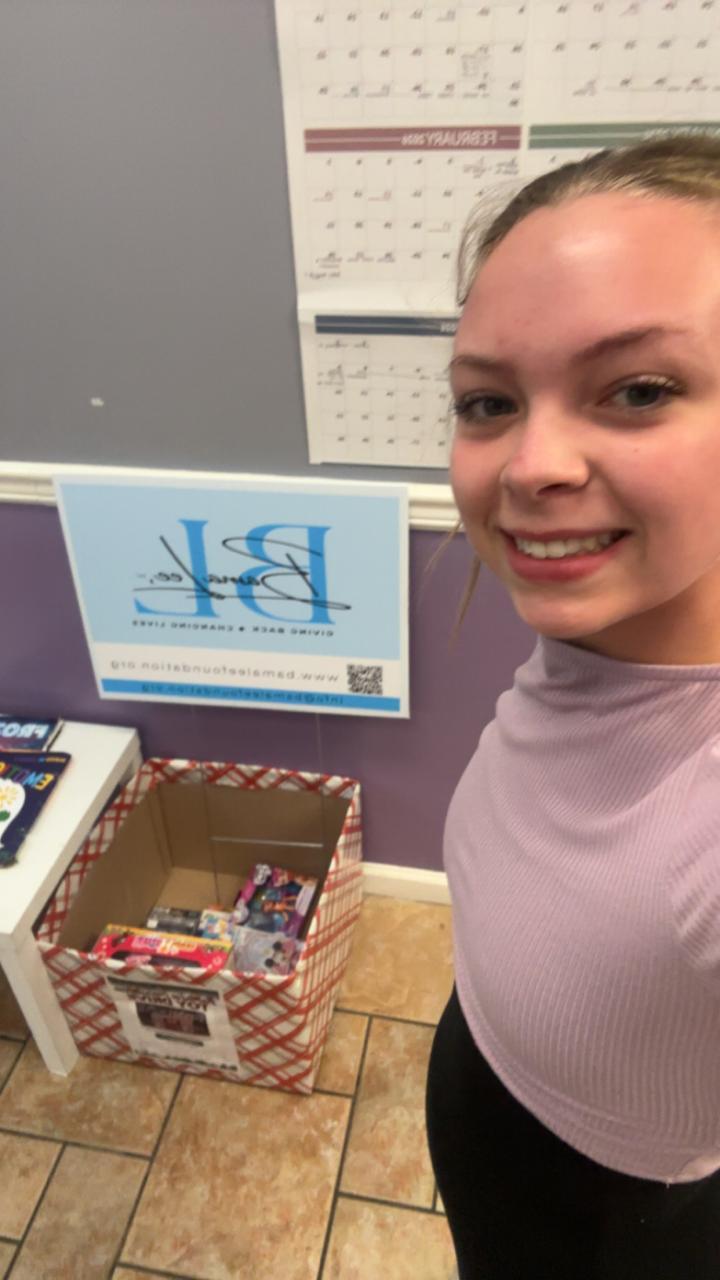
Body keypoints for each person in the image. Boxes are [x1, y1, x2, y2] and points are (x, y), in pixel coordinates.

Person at [425, 132, 720, 1280]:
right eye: (489, 401)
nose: (530, 463)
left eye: (639, 389)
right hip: (491, 1083)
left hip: (617, 1220)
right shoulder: (600, 639)